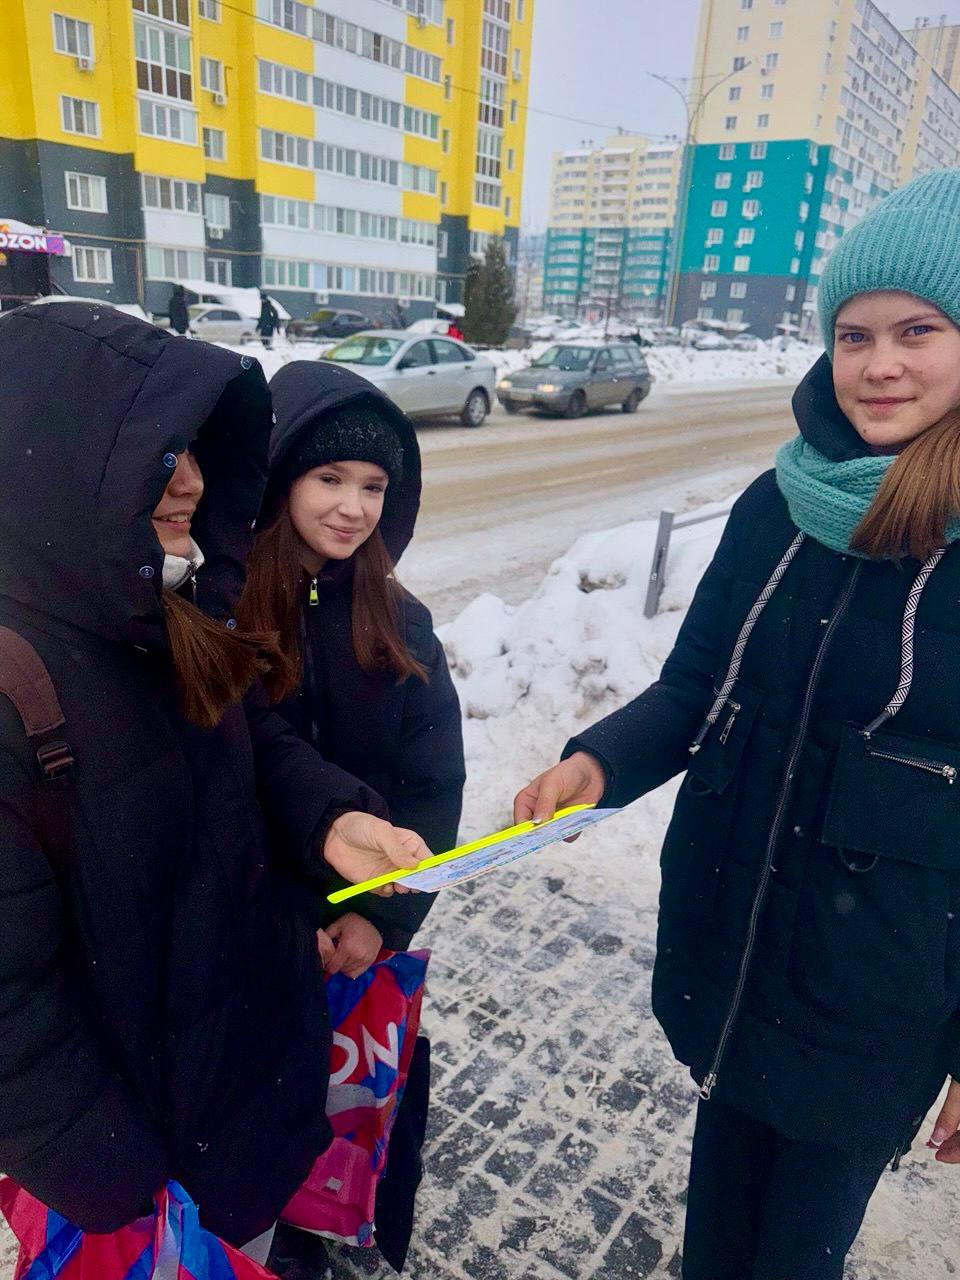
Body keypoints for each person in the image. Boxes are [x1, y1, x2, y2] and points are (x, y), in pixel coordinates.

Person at [513, 168, 960, 1279]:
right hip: (737, 960)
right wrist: (597, 763)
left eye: (918, 330)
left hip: (876, 1005)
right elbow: (697, 686)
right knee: (712, 1248)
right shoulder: (781, 502)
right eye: (854, 335)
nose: (880, 364)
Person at [0, 302, 428, 1260]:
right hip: (143, 1169)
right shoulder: (19, 682)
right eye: (160, 451)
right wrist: (114, 1176)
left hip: (248, 1095)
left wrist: (331, 821)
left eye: (198, 447)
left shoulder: (163, 608)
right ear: (62, 455)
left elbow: (248, 738)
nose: (191, 479)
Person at [240, 360, 465, 970]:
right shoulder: (224, 613)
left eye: (373, 487)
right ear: (282, 477)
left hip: (359, 920)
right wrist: (282, 919)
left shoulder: (401, 623)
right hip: (248, 926)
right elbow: (223, 785)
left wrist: (379, 918)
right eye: (330, 478)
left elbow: (432, 783)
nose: (353, 508)